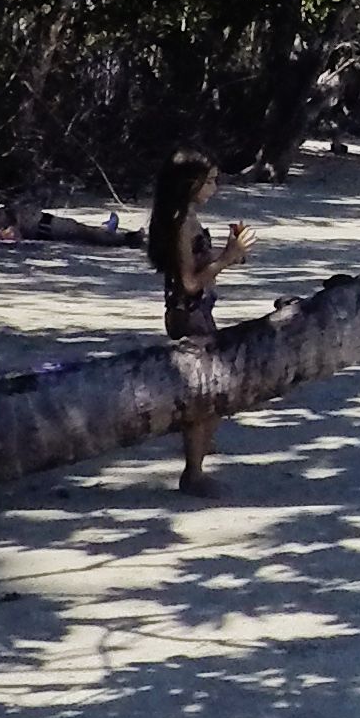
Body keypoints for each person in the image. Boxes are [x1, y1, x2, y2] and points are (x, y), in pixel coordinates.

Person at [144, 151, 250, 495]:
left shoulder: (185, 218)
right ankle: (193, 472)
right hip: (188, 315)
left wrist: (228, 256)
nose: (214, 188)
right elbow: (189, 282)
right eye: (210, 181)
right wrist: (225, 259)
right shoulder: (181, 223)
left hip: (197, 312)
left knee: (212, 390)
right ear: (190, 184)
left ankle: (200, 450)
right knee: (205, 394)